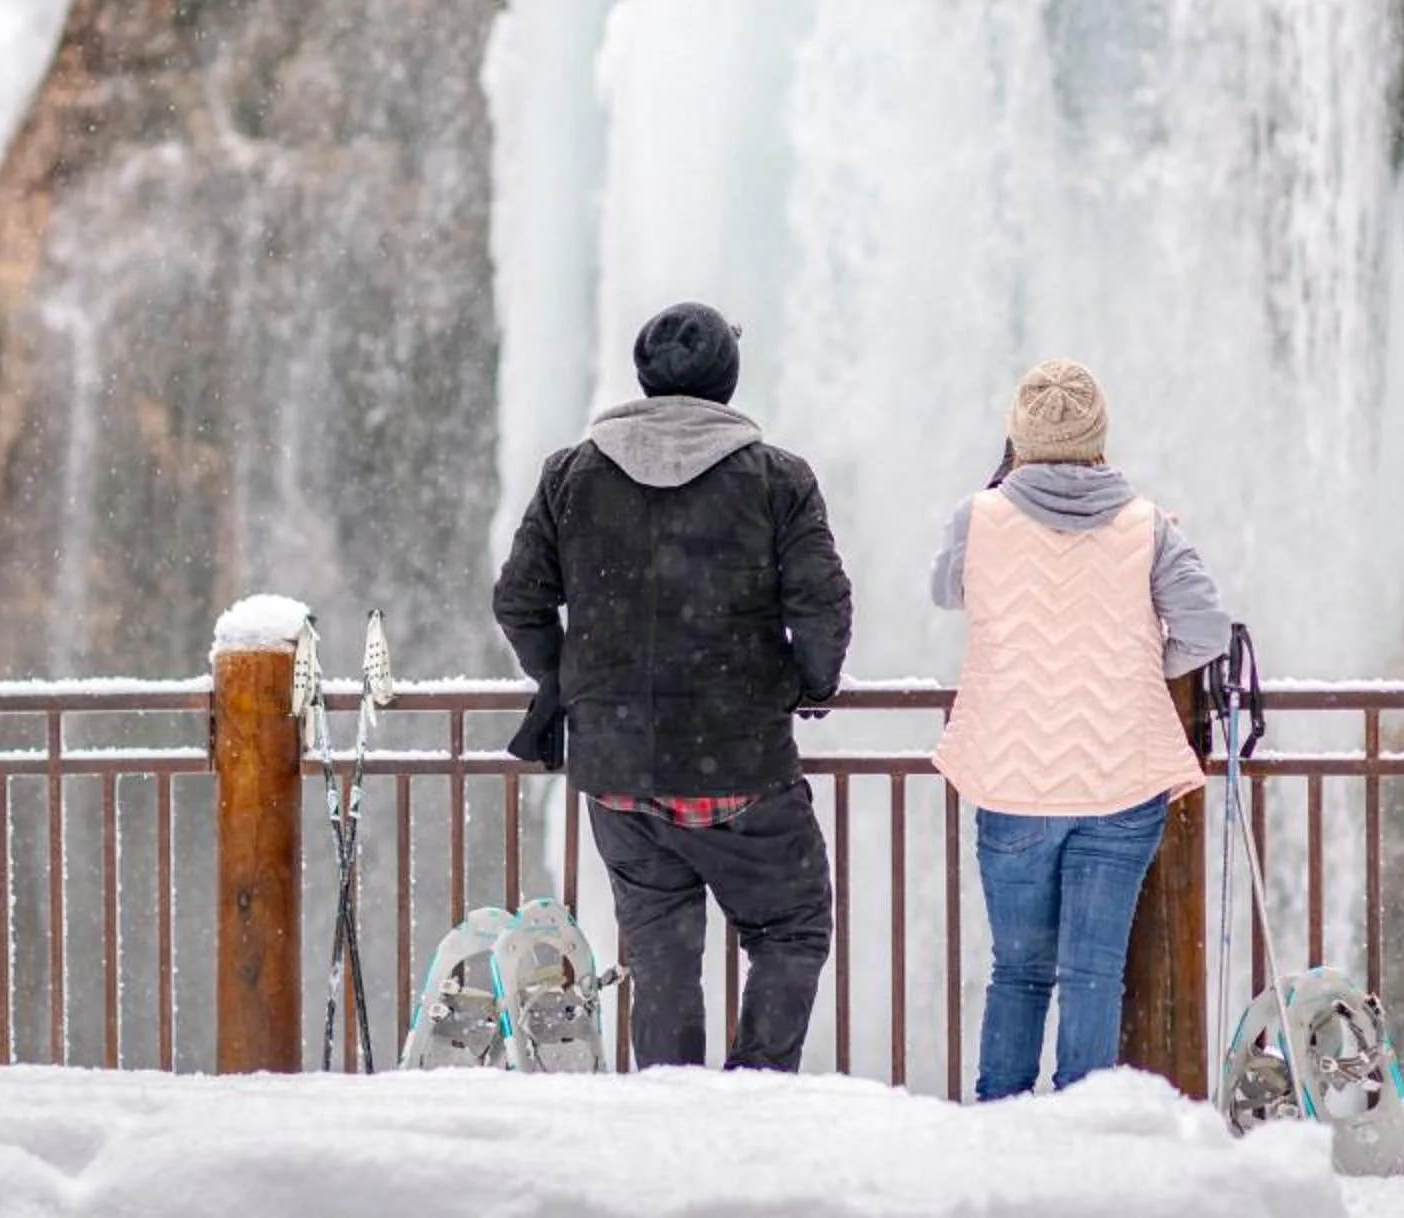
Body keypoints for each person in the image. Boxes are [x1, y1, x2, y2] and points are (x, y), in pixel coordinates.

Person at [493, 301, 853, 1072]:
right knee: (792, 930)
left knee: (662, 962)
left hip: (619, 774)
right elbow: (821, 606)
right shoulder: (777, 478)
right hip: (743, 765)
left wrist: (570, 683)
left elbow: (519, 599)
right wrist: (805, 684)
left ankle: (672, 1112)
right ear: (727, 380)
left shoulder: (572, 474)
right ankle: (755, 1088)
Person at [930, 358, 1231, 1100]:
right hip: (1118, 779)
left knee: (1019, 970)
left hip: (1013, 782)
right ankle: (1081, 1123)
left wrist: (1000, 499)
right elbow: (1208, 628)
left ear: (1019, 438)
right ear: (1099, 435)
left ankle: (999, 1115)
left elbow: (945, 589)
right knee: (1093, 971)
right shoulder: (1148, 525)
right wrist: (1140, 662)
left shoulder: (981, 515)